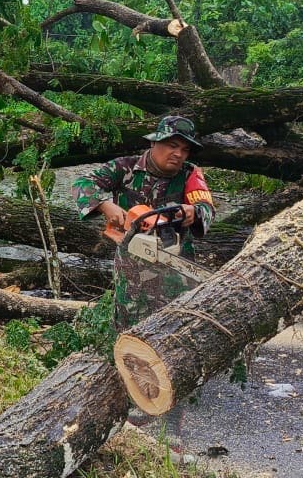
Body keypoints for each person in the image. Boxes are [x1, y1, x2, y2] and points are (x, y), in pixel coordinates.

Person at [70, 115, 216, 454]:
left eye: (183, 149)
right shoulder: (125, 168)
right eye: (171, 146)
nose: (177, 154)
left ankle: (171, 421)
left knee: (176, 341)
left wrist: (191, 213)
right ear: (155, 142)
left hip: (175, 267)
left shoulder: (191, 175)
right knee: (128, 334)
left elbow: (207, 207)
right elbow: (81, 184)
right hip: (132, 270)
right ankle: (131, 409)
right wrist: (107, 205)